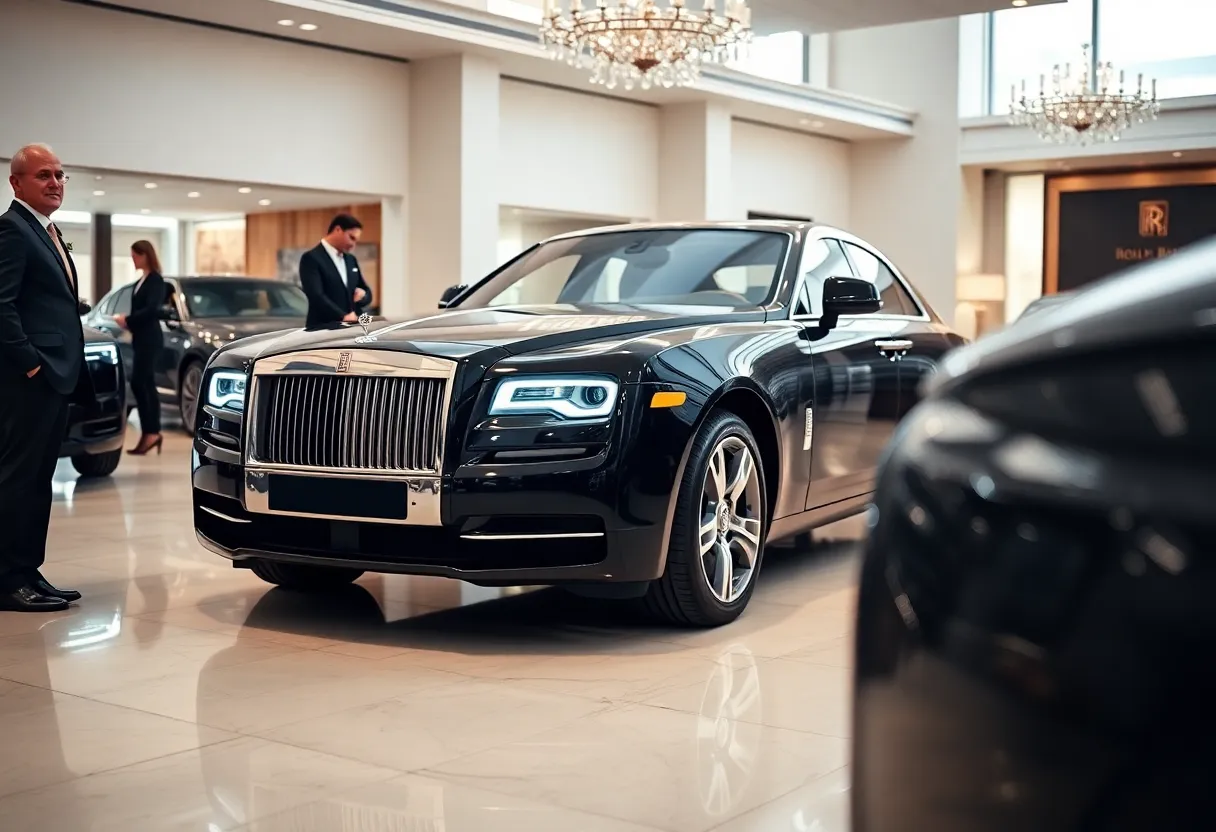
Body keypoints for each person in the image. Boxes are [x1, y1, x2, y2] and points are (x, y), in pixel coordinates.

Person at [0, 143, 85, 612]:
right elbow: (1, 305)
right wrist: (31, 362)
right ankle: (8, 579)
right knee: (18, 479)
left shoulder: (46, 230)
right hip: (28, 379)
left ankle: (27, 570)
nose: (55, 182)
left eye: (59, 174)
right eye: (43, 175)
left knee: (38, 480)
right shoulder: (12, 231)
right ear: (17, 183)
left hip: (53, 377)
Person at [114, 240, 165, 455]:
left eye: (135, 255)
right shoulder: (142, 280)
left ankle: (151, 431)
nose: (132, 259)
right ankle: (151, 432)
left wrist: (128, 320)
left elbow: (153, 309)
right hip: (141, 338)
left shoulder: (155, 280)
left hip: (150, 338)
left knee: (140, 382)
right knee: (146, 384)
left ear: (145, 255)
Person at [298, 213, 373, 328]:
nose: (353, 245)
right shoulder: (311, 258)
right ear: (338, 230)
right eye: (351, 238)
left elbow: (365, 290)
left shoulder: (350, 260)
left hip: (352, 328)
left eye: (356, 241)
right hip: (323, 329)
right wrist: (342, 316)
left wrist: (364, 296)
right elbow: (316, 295)